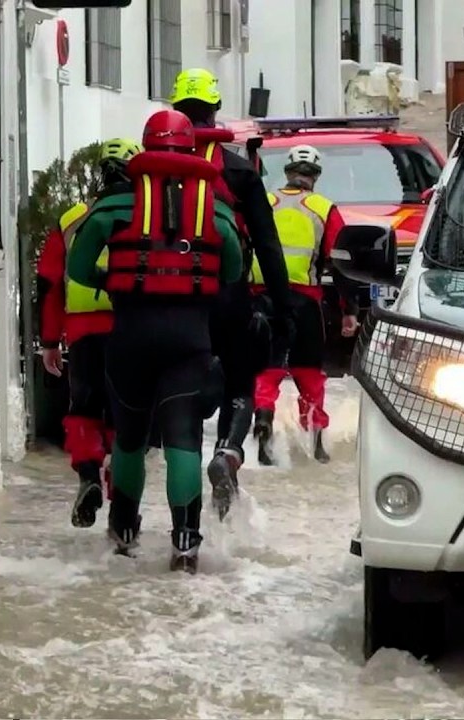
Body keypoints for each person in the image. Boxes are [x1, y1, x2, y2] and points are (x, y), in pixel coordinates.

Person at [65, 110, 244, 573]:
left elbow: (77, 269)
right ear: (190, 151)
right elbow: (232, 272)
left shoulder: (111, 209)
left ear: (143, 151)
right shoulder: (216, 213)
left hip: (130, 336)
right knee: (184, 436)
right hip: (189, 339)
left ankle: (124, 530)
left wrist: (114, 278)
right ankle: (185, 542)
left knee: (129, 437)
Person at [169, 67, 294, 520]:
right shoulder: (239, 170)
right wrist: (284, 308)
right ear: (215, 110)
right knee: (240, 383)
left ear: (175, 109)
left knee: (174, 392)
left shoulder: (151, 170)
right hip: (228, 295)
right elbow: (267, 243)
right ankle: (226, 453)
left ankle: (173, 528)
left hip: (168, 298)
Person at [35, 138, 142, 528]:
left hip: (81, 333)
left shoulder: (70, 220)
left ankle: (87, 476)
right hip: (130, 328)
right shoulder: (144, 213)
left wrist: (49, 342)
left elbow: (48, 284)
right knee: (126, 415)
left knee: (82, 409)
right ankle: (120, 502)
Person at [250, 144, 357, 465]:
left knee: (266, 369)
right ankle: (316, 443)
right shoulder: (324, 208)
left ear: (287, 173)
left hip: (262, 299)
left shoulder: (263, 202)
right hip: (306, 302)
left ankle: (264, 417)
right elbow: (339, 263)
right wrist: (349, 309)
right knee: (309, 374)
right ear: (316, 177)